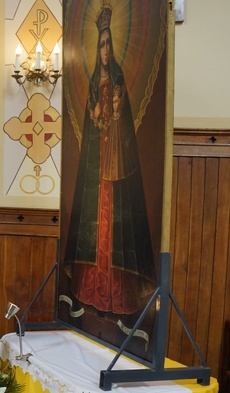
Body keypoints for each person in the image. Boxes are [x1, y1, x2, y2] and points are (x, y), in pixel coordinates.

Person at [63, 4, 156, 316]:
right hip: (95, 168)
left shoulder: (119, 83)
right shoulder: (93, 84)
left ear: (113, 48)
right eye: (100, 44)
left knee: (114, 227)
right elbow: (92, 124)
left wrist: (113, 116)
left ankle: (117, 297)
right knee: (94, 223)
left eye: (108, 44)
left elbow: (123, 125)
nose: (104, 50)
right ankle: (88, 290)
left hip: (116, 167)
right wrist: (97, 117)